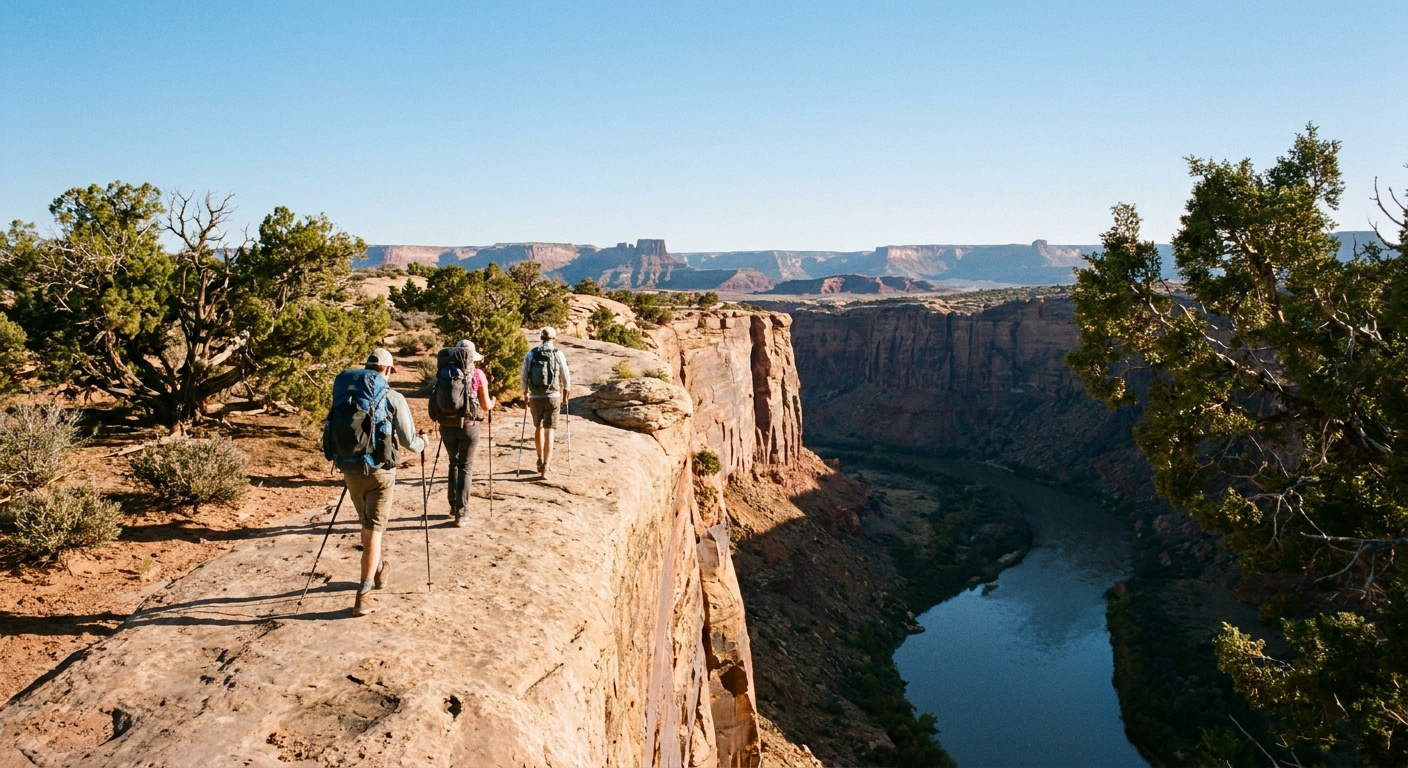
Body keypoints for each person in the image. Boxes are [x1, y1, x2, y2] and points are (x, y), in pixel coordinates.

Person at [334, 348, 426, 618]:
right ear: (387, 370)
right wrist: (424, 444)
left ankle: (379, 569)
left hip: (349, 467)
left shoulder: (346, 392)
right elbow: (409, 441)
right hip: (380, 470)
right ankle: (363, 596)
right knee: (374, 530)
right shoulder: (392, 396)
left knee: (365, 522)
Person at [429, 340, 494, 527]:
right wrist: (493, 404)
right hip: (469, 426)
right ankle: (462, 513)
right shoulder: (477, 374)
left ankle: (452, 505)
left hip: (446, 425)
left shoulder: (444, 373)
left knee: (453, 463)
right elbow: (485, 405)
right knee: (466, 466)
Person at [521, 327, 571, 477]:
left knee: (539, 427)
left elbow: (524, 375)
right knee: (550, 431)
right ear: (553, 338)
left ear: (541, 338)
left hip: (535, 396)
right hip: (552, 396)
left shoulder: (531, 354)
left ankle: (539, 458)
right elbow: (565, 374)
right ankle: (546, 466)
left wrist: (525, 393)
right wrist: (566, 392)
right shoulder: (558, 354)